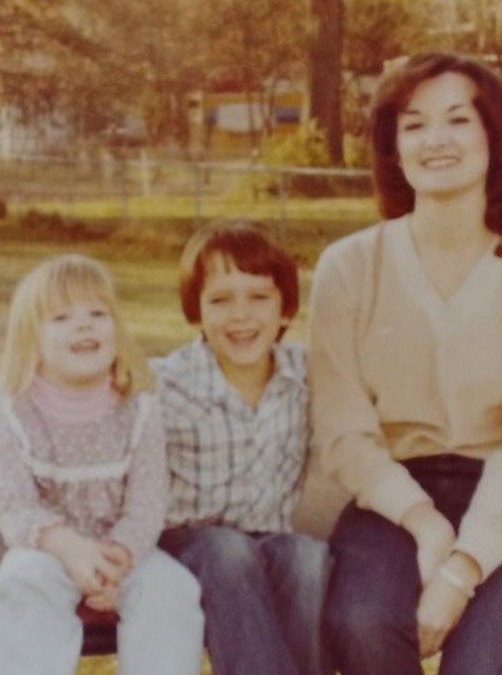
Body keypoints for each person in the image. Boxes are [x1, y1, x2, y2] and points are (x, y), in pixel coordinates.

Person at [307, 52, 502, 675]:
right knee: (362, 624)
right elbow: (345, 432)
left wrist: (460, 570)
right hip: (394, 498)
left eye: (457, 120)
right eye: (413, 124)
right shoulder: (349, 269)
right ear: (393, 149)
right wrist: (427, 526)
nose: (435, 140)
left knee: (481, 665)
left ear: (494, 137)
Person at [0, 254, 204, 675]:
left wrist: (115, 560)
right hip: (47, 548)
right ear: (32, 339)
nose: (84, 324)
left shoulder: (138, 407)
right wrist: (68, 548)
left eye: (98, 313)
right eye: (61, 317)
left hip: (124, 550)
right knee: (22, 584)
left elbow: (148, 501)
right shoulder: (12, 410)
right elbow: (12, 503)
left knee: (172, 589)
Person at [152, 220, 332, 675]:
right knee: (227, 551)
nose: (240, 316)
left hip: (270, 539)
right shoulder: (169, 385)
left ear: (286, 310)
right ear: (195, 313)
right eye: (220, 300)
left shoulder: (307, 376)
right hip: (188, 543)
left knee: (309, 558)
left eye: (258, 298)